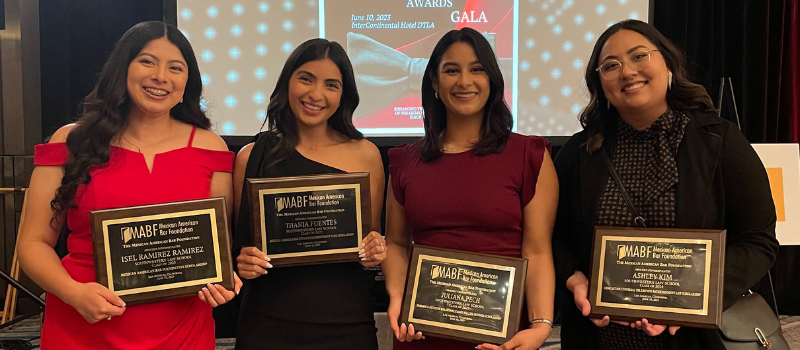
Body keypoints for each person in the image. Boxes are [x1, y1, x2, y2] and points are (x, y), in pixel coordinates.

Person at [553, 19, 779, 350]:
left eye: (639, 56)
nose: (627, 71)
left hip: (691, 339)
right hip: (597, 338)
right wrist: (575, 281)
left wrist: (694, 299)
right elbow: (554, 237)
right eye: (611, 65)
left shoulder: (719, 141)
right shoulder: (578, 152)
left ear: (667, 63)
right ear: (600, 83)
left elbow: (758, 241)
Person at [16, 21, 241, 349]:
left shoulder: (212, 149)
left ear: (186, 82)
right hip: (84, 324)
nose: (161, 76)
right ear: (122, 69)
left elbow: (216, 251)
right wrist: (74, 293)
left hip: (183, 332)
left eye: (175, 67)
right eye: (148, 61)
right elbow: (32, 243)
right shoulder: (72, 140)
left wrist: (224, 280)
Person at [382, 27, 559, 350]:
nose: (465, 81)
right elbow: (395, 243)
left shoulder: (529, 156)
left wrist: (541, 325)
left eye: (477, 69)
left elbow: (537, 250)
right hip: (421, 333)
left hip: (501, 339)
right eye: (452, 70)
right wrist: (397, 298)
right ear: (434, 83)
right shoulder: (404, 161)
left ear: (492, 79)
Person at [232, 38, 387, 350]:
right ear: (287, 81)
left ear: (344, 94)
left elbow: (372, 241)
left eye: (331, 84)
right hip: (266, 325)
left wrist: (375, 250)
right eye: (306, 78)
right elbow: (237, 250)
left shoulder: (366, 155)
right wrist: (242, 262)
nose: (316, 94)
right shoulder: (251, 157)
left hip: (347, 325)